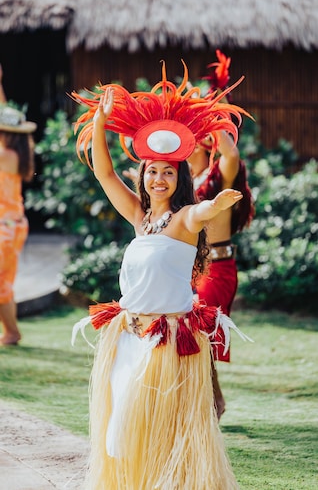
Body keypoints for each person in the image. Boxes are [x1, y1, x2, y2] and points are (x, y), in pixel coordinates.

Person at [72, 62, 252, 490]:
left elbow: (201, 211)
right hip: (127, 336)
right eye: (152, 171)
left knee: (153, 420)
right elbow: (104, 173)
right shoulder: (139, 217)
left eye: (168, 172)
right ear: (144, 176)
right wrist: (99, 122)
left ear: (179, 178)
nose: (158, 178)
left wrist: (218, 204)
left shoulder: (185, 219)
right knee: (119, 427)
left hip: (167, 343)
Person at [188, 51, 255, 419]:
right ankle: (211, 400)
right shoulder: (182, 182)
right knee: (192, 334)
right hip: (192, 267)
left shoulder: (219, 177)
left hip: (218, 267)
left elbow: (230, 152)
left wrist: (215, 113)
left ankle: (212, 401)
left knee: (202, 335)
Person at [0, 64, 37, 345]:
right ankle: (11, 333)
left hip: (5, 228)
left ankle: (12, 332)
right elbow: (5, 114)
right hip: (12, 225)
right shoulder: (20, 153)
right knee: (4, 284)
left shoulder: (4, 155)